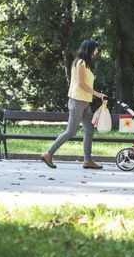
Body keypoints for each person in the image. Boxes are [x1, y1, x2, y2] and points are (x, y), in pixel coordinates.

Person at [40, 39, 106, 169]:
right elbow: (81, 84)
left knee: (89, 129)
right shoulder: (80, 62)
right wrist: (98, 94)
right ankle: (48, 153)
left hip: (84, 102)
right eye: (96, 48)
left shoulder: (85, 64)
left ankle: (87, 160)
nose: (97, 51)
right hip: (77, 101)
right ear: (90, 49)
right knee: (71, 132)